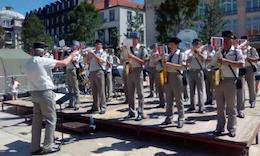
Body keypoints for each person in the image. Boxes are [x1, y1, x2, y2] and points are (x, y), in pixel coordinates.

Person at [25, 42, 77, 155]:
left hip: (34, 92)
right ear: (43, 52)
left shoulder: (28, 62)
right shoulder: (42, 60)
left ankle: (35, 147)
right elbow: (63, 63)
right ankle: (48, 146)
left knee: (37, 121)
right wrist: (72, 55)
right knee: (50, 119)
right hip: (45, 92)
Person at [212, 31, 244, 137]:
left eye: (228, 39)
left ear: (232, 40)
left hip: (230, 80)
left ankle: (232, 128)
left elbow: (241, 64)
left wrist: (226, 61)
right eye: (224, 39)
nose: (225, 41)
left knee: (231, 106)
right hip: (218, 79)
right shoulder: (218, 51)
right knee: (220, 106)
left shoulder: (236, 51)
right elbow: (212, 64)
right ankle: (220, 127)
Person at [162, 37, 186, 128]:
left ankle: (181, 118)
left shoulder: (181, 54)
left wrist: (168, 64)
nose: (169, 45)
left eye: (170, 43)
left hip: (176, 76)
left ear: (175, 44)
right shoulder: (168, 54)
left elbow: (182, 67)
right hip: (168, 76)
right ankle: (169, 117)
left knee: (179, 99)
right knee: (168, 99)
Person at [126, 32, 148, 121]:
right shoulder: (128, 48)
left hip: (138, 70)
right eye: (130, 39)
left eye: (133, 38)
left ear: (137, 39)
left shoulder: (142, 49)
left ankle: (140, 112)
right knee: (130, 92)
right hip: (129, 69)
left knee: (140, 93)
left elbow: (144, 62)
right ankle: (131, 111)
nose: (131, 40)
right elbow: (123, 60)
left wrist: (133, 57)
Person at [84, 40, 107, 114]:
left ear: (101, 45)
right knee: (94, 91)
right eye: (95, 44)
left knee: (101, 91)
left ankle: (103, 107)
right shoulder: (93, 52)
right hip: (92, 72)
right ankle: (95, 107)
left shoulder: (103, 52)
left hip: (99, 71)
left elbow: (101, 61)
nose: (96, 45)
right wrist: (87, 54)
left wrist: (93, 54)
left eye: (98, 44)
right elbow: (87, 61)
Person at [186, 39, 207, 113]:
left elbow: (204, 59)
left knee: (200, 90)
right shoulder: (190, 52)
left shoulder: (203, 51)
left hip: (199, 71)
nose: (195, 45)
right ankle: (192, 106)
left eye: (197, 43)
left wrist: (198, 53)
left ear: (200, 44)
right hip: (191, 71)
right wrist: (190, 56)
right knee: (191, 90)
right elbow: (186, 61)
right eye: (194, 43)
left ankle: (201, 107)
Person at [64, 40, 81, 110]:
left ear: (76, 46)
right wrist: (64, 52)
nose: (71, 47)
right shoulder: (70, 53)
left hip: (74, 70)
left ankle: (77, 103)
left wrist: (68, 53)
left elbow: (74, 60)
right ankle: (71, 103)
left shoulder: (77, 53)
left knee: (75, 87)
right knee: (69, 88)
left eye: (73, 45)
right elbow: (63, 60)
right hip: (68, 69)